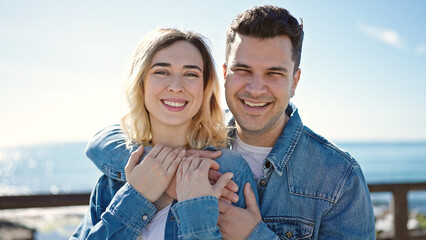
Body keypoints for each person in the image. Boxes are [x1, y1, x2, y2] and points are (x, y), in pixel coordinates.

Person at [85, 5, 375, 239]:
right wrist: (167, 177)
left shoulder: (338, 177)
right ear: (224, 74)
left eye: (274, 73)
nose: (256, 88)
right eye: (243, 70)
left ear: (295, 81)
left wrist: (254, 236)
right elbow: (105, 139)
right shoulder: (201, 141)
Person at [71, 28, 258, 240]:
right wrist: (135, 198)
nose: (176, 86)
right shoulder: (112, 180)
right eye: (162, 72)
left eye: (190, 74)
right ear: (141, 83)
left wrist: (196, 211)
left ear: (205, 87)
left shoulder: (227, 172)